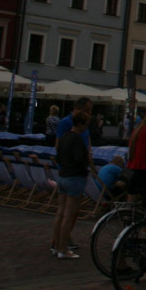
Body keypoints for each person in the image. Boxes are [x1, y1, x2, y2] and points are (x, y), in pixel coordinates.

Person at [51, 111, 91, 259]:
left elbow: (58, 156)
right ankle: (63, 248)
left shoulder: (65, 137)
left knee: (60, 213)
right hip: (75, 178)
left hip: (63, 176)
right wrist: (85, 168)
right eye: (86, 124)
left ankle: (56, 246)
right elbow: (80, 159)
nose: (87, 128)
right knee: (69, 215)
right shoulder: (77, 139)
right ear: (80, 124)